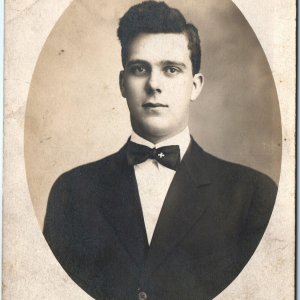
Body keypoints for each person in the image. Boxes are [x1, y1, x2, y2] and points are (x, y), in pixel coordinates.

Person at [43, 1, 277, 299]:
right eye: (139, 69)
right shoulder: (72, 192)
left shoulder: (252, 195)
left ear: (195, 86)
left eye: (171, 69)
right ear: (122, 84)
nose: (154, 84)